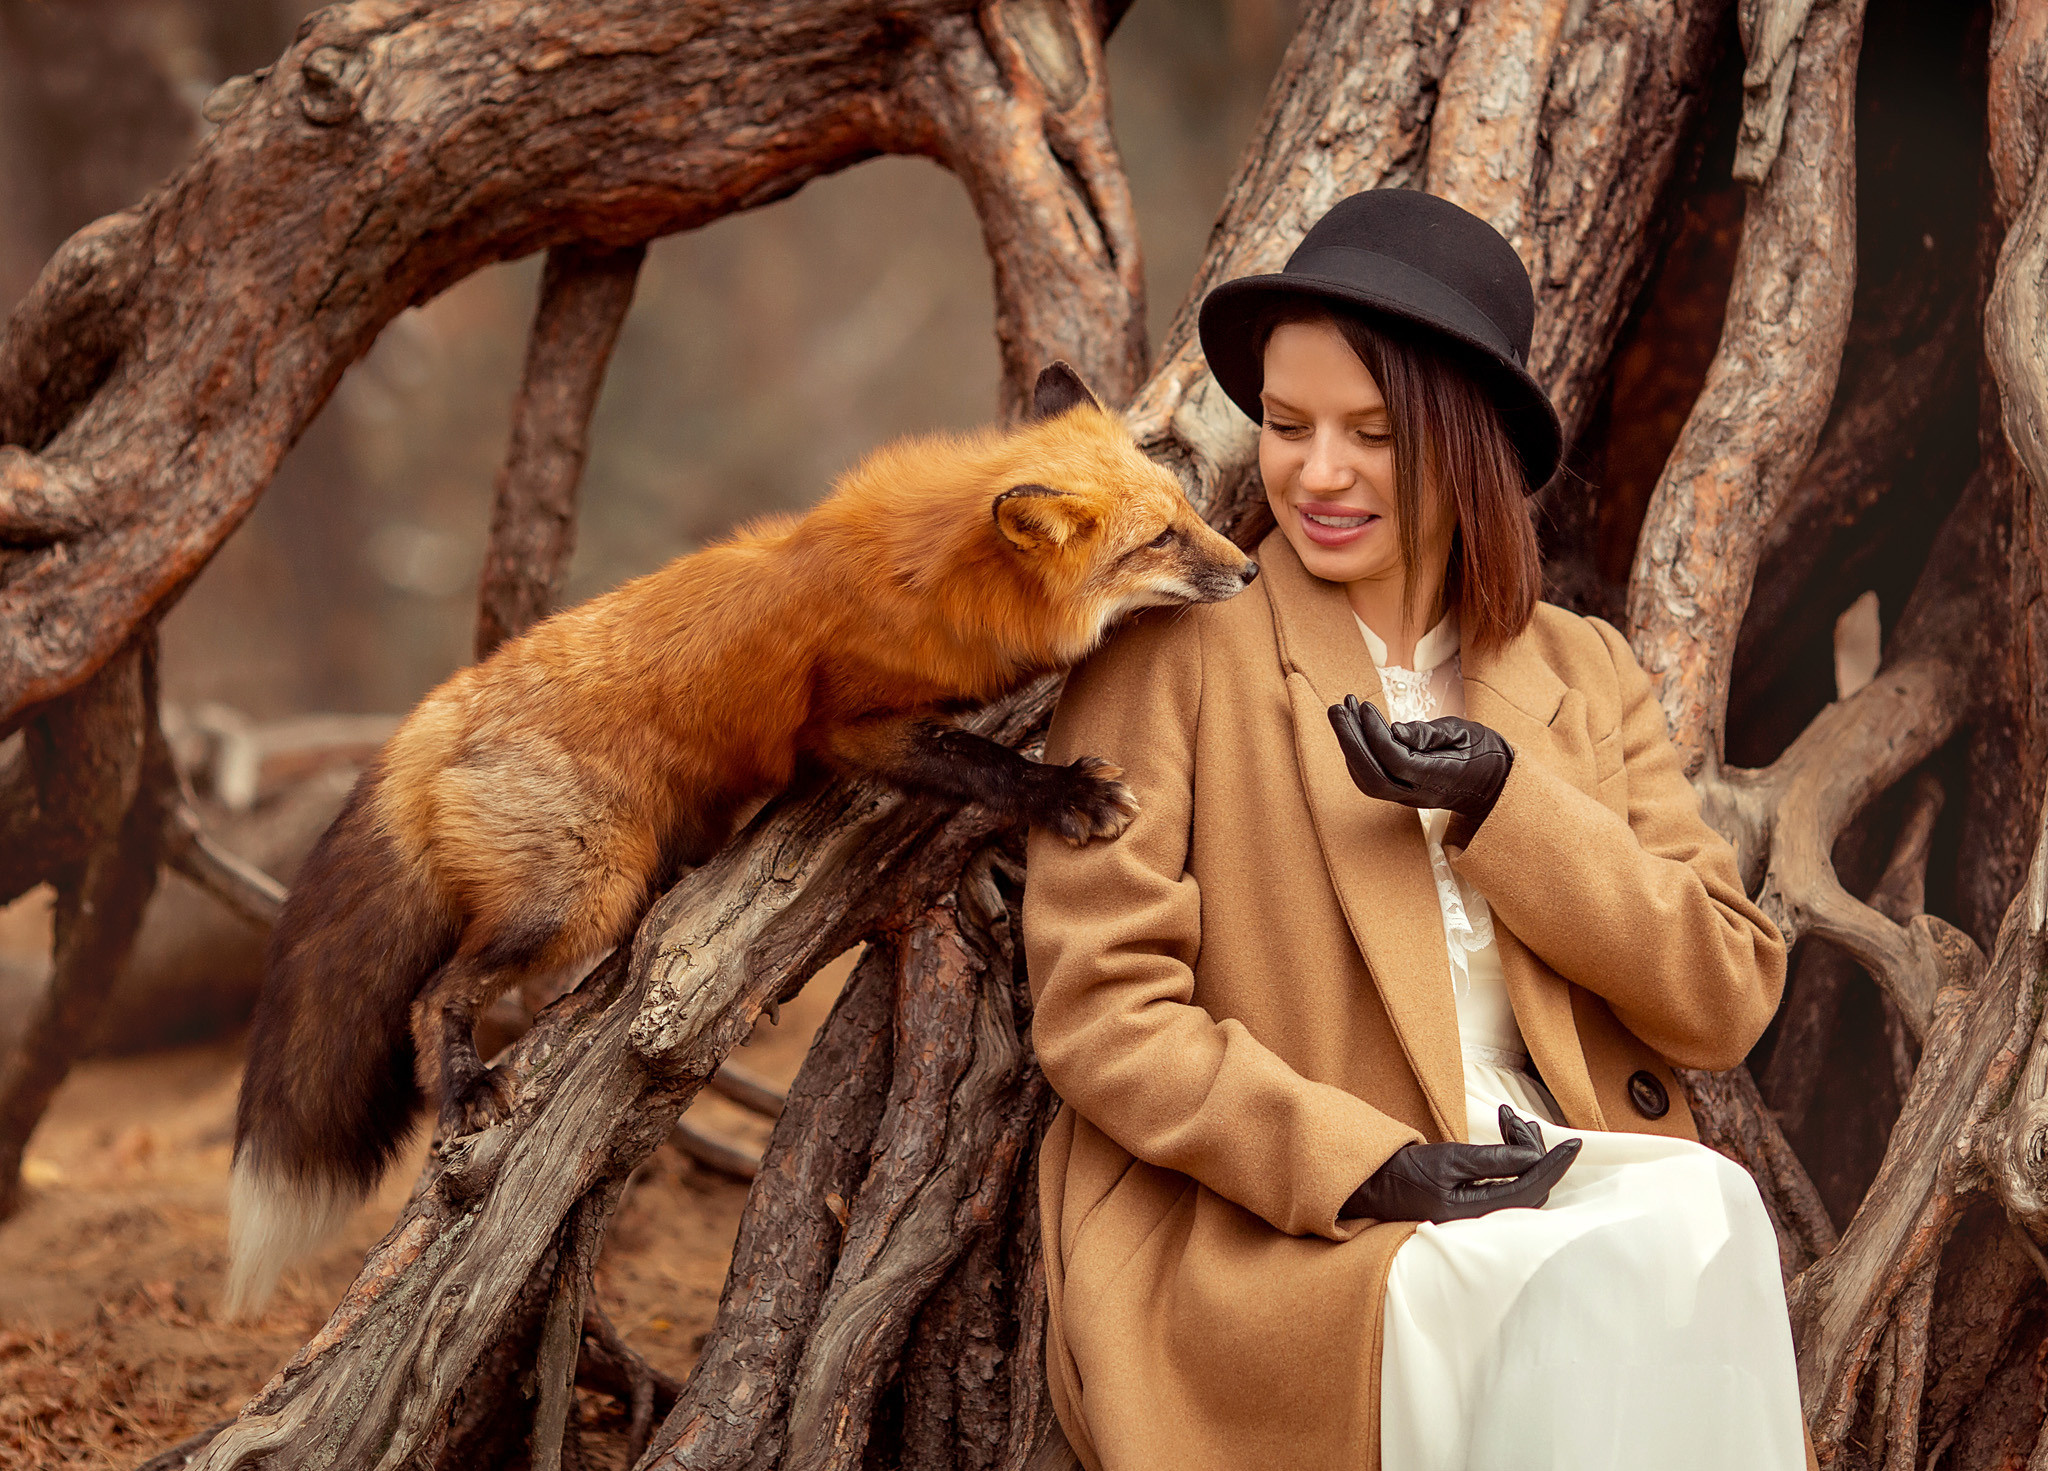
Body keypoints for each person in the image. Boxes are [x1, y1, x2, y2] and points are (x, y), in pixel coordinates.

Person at [1022, 189, 1809, 1471]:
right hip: (1284, 1208)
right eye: (1284, 426)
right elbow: (1101, 1012)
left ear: (1465, 441)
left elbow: (1722, 997)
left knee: (1701, 1203)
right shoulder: (1170, 653)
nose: (1314, 474)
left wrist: (1508, 800)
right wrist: (1368, 1164)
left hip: (1546, 1159)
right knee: (1574, 1271)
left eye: (1371, 434)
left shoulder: (1579, 666)